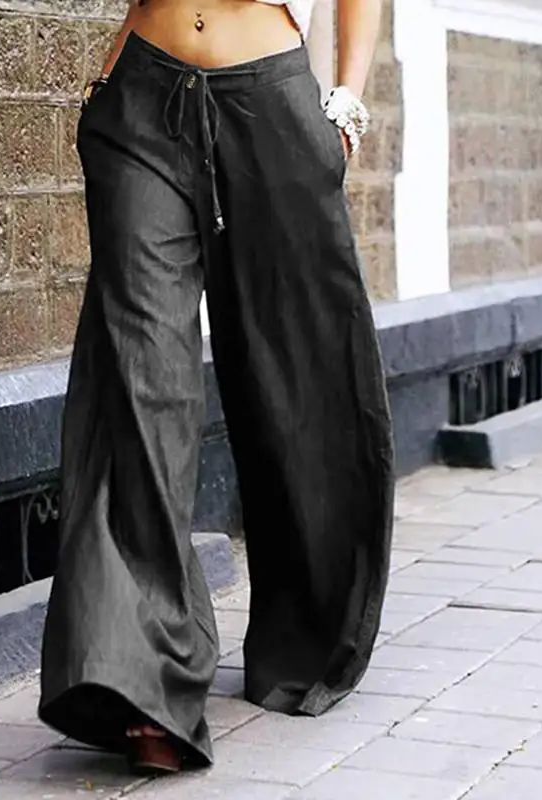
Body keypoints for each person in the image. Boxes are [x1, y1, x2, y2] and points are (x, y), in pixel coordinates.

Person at [38, 0, 394, 775]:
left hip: (269, 100)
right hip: (142, 98)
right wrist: (108, 81)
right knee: (143, 378)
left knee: (292, 372)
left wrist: (346, 101)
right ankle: (147, 682)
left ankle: (305, 629)